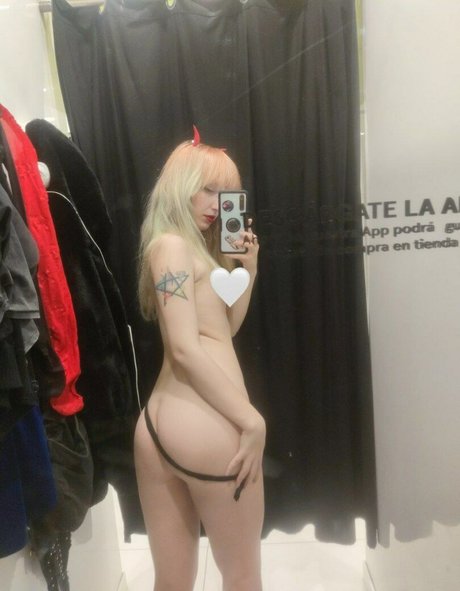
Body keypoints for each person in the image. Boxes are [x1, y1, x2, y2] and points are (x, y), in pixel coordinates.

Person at [134, 131, 266, 591]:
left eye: (224, 193)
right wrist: (250, 419)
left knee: (172, 579)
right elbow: (186, 349)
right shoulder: (172, 246)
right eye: (207, 189)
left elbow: (224, 331)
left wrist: (247, 270)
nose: (216, 204)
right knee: (243, 575)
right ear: (180, 185)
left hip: (159, 428)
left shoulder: (192, 250)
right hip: (206, 424)